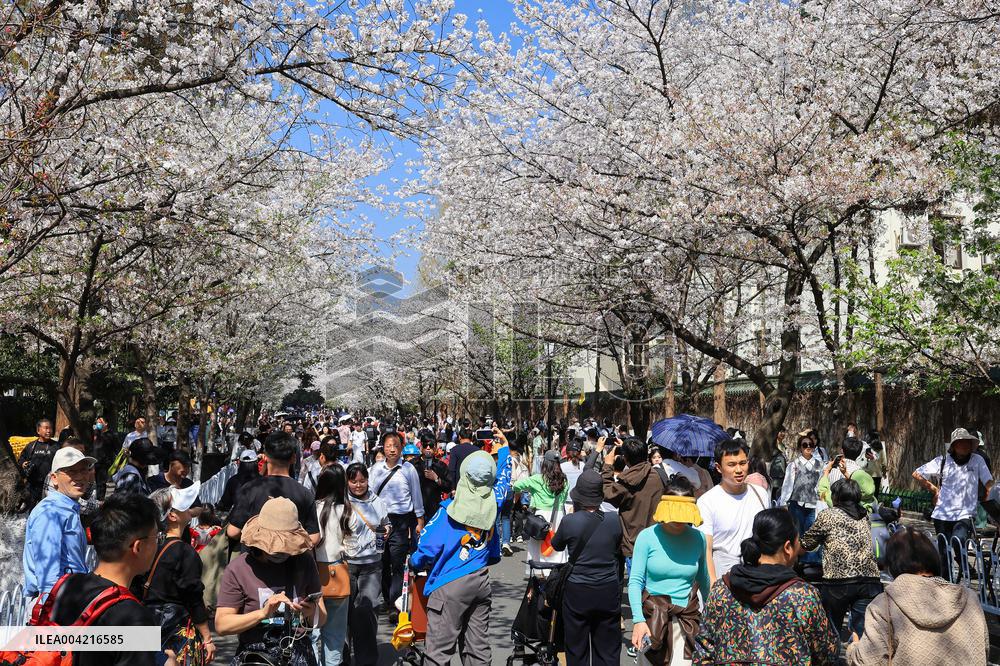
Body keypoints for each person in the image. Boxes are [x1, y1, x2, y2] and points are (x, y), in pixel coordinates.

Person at [694, 508, 838, 664]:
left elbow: (703, 650)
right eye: (798, 541)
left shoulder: (721, 589)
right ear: (788, 547)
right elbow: (826, 653)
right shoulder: (803, 596)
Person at [412, 450, 511, 666]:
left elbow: (426, 547)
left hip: (450, 585)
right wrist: (504, 451)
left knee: (438, 650)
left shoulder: (448, 510)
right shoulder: (495, 501)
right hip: (481, 580)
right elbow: (504, 479)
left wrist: (415, 562)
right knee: (477, 649)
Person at [46, 494, 160, 666]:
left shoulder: (68, 584)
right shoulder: (134, 618)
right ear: (138, 547)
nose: (158, 544)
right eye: (156, 538)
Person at [847, 527, 988, 665]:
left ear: (892, 564)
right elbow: (983, 649)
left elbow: (869, 661)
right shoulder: (969, 598)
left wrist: (853, 649)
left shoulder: (883, 605)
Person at [216, 497, 326, 666]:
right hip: (257, 657)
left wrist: (311, 612)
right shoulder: (239, 568)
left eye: (286, 546)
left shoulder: (304, 561)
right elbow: (222, 624)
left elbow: (322, 618)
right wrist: (262, 614)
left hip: (299, 654)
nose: (281, 552)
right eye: (274, 547)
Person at [630, 476, 710, 666]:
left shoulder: (699, 538)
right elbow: (634, 581)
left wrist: (714, 614)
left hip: (687, 622)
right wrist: (638, 620)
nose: (678, 520)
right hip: (652, 621)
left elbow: (704, 579)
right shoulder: (647, 537)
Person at [549, 468, 623, 666]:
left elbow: (556, 545)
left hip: (577, 590)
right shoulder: (615, 520)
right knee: (608, 649)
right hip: (608, 587)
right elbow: (617, 547)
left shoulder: (570, 521)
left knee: (577, 647)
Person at [800, 478, 881, 639]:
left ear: (836, 496)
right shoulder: (865, 515)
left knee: (831, 633)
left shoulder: (828, 515)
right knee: (863, 635)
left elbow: (807, 544)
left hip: (838, 583)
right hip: (869, 581)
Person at [144, 484, 215, 665]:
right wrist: (207, 637)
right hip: (175, 630)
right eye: (186, 507)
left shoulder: (149, 548)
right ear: (173, 516)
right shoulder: (185, 552)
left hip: (147, 625)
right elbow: (193, 597)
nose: (190, 510)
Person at [912, 427, 994, 578]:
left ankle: (965, 567)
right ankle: (947, 583)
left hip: (965, 514)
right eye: (961, 442)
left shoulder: (978, 460)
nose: (965, 445)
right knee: (943, 552)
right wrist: (935, 490)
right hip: (942, 514)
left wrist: (988, 501)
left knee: (958, 540)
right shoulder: (942, 461)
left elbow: (989, 482)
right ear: (954, 445)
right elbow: (917, 474)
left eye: (968, 442)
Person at [23, 447, 94, 604]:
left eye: (83, 470)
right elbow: (48, 575)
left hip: (70, 597)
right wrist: (52, 616)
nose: (80, 477)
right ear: (54, 478)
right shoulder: (50, 513)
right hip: (57, 606)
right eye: (72, 472)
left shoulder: (68, 507)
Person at [227, 431, 321, 547]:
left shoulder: (250, 489)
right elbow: (314, 537)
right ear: (293, 458)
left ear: (265, 457)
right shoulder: (305, 494)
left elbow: (233, 531)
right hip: (293, 561)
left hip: (255, 559)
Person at [367, 431, 424, 621]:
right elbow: (369, 496)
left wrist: (419, 519)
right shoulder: (375, 469)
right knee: (382, 562)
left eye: (396, 446)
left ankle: (394, 603)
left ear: (401, 448)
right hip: (380, 522)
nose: (392, 449)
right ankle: (386, 596)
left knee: (397, 564)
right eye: (389, 445)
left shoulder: (408, 469)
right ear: (383, 447)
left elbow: (416, 495)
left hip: (401, 521)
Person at [697, 438, 769, 582]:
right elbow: (705, 549)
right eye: (731, 465)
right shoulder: (707, 502)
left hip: (756, 575)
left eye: (743, 463)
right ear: (718, 467)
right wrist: (713, 586)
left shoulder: (760, 494)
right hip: (722, 575)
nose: (739, 470)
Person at [342, 462, 389, 665]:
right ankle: (341, 658)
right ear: (347, 482)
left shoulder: (377, 502)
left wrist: (387, 530)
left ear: (368, 480)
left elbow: (386, 523)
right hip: (346, 564)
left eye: (362, 481)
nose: (358, 485)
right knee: (343, 614)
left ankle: (366, 660)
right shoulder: (340, 503)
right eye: (353, 481)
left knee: (366, 611)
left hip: (372, 564)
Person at [599, 436, 666, 563]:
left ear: (625, 458)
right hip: (657, 540)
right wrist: (632, 448)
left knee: (636, 582)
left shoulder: (626, 483)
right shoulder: (658, 475)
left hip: (633, 543)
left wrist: (608, 466)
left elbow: (606, 492)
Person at [314, 466, 352, 666]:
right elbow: (352, 548)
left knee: (313, 633)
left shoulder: (313, 508)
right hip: (338, 575)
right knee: (335, 637)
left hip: (314, 575)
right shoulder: (347, 509)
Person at [513, 449, 570, 570]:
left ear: (545, 463)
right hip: (558, 515)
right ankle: (555, 571)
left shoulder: (538, 479)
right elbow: (564, 499)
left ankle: (540, 573)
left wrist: (530, 491)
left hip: (540, 517)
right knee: (556, 544)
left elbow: (516, 485)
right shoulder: (564, 480)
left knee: (537, 544)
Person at [778, 433, 823, 571]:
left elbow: (821, 484)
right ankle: (795, 561)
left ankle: (810, 562)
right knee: (796, 532)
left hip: (812, 503)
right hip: (796, 503)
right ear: (800, 448)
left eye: (811, 445)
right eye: (805, 445)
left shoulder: (819, 465)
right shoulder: (794, 465)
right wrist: (784, 503)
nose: (808, 447)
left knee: (811, 532)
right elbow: (788, 484)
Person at [411, 434, 452, 531]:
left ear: (435, 447)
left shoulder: (441, 465)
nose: (428, 448)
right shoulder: (412, 464)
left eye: (431, 445)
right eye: (425, 445)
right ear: (421, 447)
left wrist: (437, 479)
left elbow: (449, 487)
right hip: (415, 513)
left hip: (434, 511)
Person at [17, 418, 59, 509]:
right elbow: (21, 459)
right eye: (46, 428)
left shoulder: (57, 446)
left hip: (50, 486)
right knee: (32, 510)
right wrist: (23, 463)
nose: (49, 431)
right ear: (38, 431)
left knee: (48, 510)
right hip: (32, 485)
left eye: (50, 428)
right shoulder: (30, 446)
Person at [218, 448, 261, 513]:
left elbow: (225, 505)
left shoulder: (233, 481)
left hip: (238, 520)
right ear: (256, 463)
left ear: (239, 463)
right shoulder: (264, 482)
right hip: (259, 520)